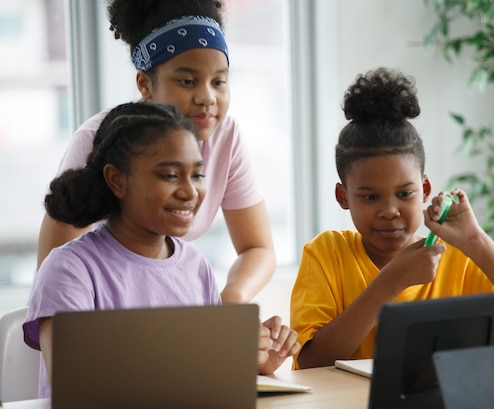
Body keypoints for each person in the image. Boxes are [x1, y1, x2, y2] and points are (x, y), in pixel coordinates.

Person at [289, 67, 494, 369]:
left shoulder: (456, 257)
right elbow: (311, 363)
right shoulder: (326, 254)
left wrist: (476, 241)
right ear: (343, 197)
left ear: (424, 190)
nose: (389, 210)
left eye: (405, 194)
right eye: (370, 197)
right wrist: (391, 281)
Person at [23, 102, 300, 398]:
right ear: (116, 179)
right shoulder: (69, 268)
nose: (190, 191)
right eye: (170, 175)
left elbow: (204, 372)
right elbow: (77, 383)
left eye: (197, 175)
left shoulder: (195, 265)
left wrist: (250, 361)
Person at [36, 0, 274, 304]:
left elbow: (259, 248)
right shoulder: (99, 139)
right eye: (187, 82)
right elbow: (56, 272)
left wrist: (226, 307)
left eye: (219, 82)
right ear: (145, 85)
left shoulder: (225, 136)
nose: (207, 97)